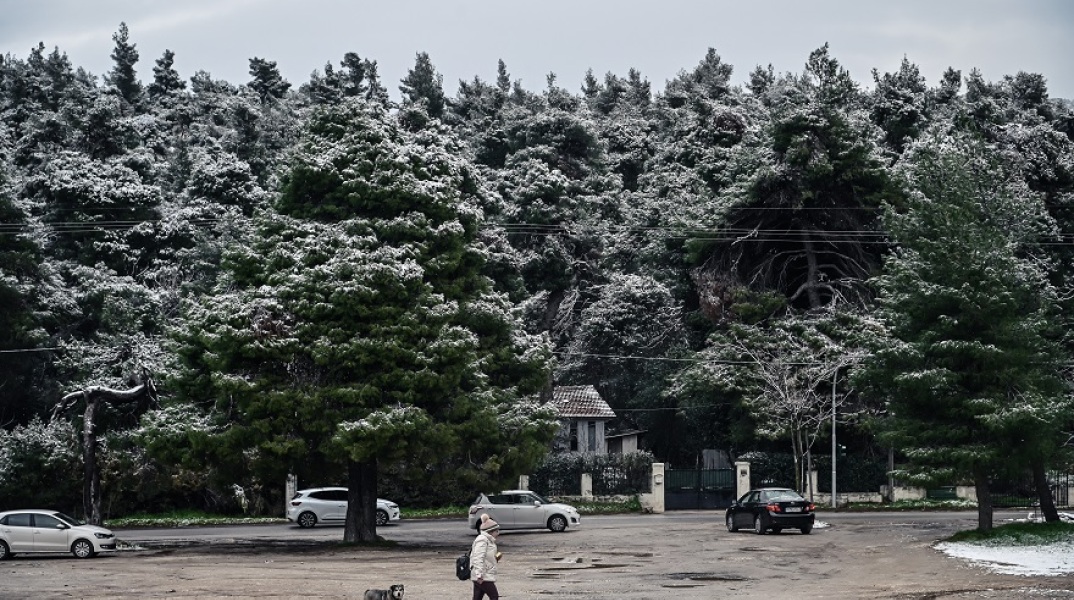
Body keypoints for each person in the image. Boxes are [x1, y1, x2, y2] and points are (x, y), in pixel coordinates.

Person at [470, 513, 502, 600]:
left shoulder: (489, 540)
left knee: (477, 597)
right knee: (494, 596)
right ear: (491, 531)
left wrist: (495, 558)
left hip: (483, 573)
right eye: (496, 531)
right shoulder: (482, 540)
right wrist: (479, 574)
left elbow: (486, 556)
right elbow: (478, 557)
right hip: (483, 575)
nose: (498, 533)